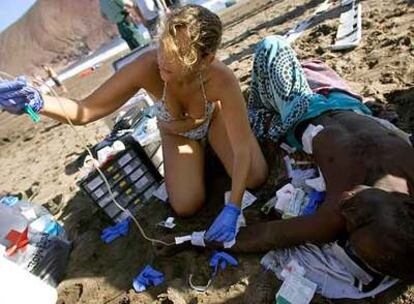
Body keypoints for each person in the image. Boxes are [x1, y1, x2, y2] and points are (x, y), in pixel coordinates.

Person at [0, 5, 268, 244]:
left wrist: (233, 207)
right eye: (163, 48)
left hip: (212, 121)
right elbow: (85, 111)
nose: (163, 61)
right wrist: (37, 102)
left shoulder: (221, 79)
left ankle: (212, 148)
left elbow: (242, 146)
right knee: (186, 206)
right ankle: (202, 155)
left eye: (177, 57)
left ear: (206, 60)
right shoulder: (149, 65)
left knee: (255, 177)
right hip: (175, 133)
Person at [155, 36, 414, 283]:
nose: (348, 209)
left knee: (271, 47)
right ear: (407, 207)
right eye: (363, 217)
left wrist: (191, 239)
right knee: (310, 70)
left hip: (297, 114)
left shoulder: (333, 217)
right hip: (346, 104)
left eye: (352, 228)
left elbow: (266, 236)